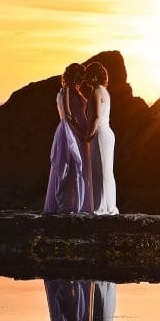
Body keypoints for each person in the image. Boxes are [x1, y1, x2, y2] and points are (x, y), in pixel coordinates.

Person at [43, 63, 86, 214]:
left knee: (72, 168)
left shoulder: (70, 90)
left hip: (69, 130)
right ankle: (67, 205)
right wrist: (81, 132)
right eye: (80, 75)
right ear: (74, 74)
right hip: (70, 132)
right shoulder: (66, 90)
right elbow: (68, 115)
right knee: (70, 167)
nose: (82, 78)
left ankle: (72, 203)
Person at [83, 61, 118, 215]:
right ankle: (108, 205)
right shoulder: (104, 91)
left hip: (100, 134)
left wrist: (89, 135)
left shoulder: (96, 91)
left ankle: (100, 207)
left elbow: (97, 116)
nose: (86, 77)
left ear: (94, 76)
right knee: (106, 171)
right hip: (107, 133)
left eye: (88, 74)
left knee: (99, 171)